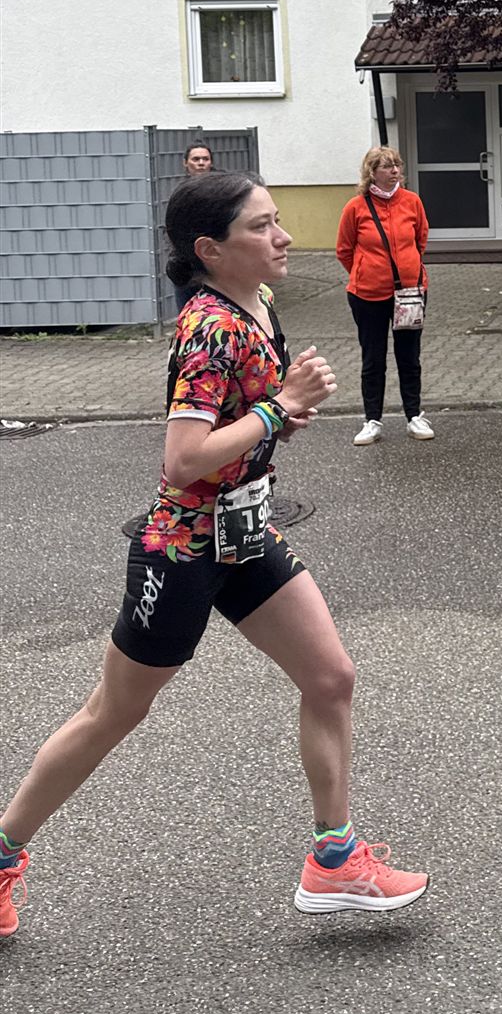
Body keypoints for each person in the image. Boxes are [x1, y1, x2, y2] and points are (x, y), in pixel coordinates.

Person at [0, 171, 430, 937]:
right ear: (211, 249)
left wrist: (276, 417)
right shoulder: (209, 328)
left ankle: (334, 860)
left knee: (330, 677)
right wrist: (279, 407)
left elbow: (243, 422)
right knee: (114, 713)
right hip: (183, 550)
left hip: (245, 534)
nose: (283, 236)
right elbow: (183, 459)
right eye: (261, 226)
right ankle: (2, 854)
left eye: (277, 219)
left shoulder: (256, 302)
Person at [335, 146, 434, 446]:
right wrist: (365, 271)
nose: (394, 171)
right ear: (372, 172)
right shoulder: (356, 207)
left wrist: (407, 269)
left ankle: (414, 416)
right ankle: (372, 420)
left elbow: (421, 240)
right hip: (368, 295)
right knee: (373, 358)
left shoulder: (412, 201)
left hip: (410, 292)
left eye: (396, 165)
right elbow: (344, 250)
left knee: (409, 357)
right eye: (387, 166)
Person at [171, 139, 214, 316]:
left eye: (205, 159)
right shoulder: (180, 193)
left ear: (211, 162)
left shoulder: (221, 191)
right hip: (187, 266)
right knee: (188, 317)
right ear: (185, 163)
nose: (201, 163)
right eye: (196, 159)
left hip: (215, 264)